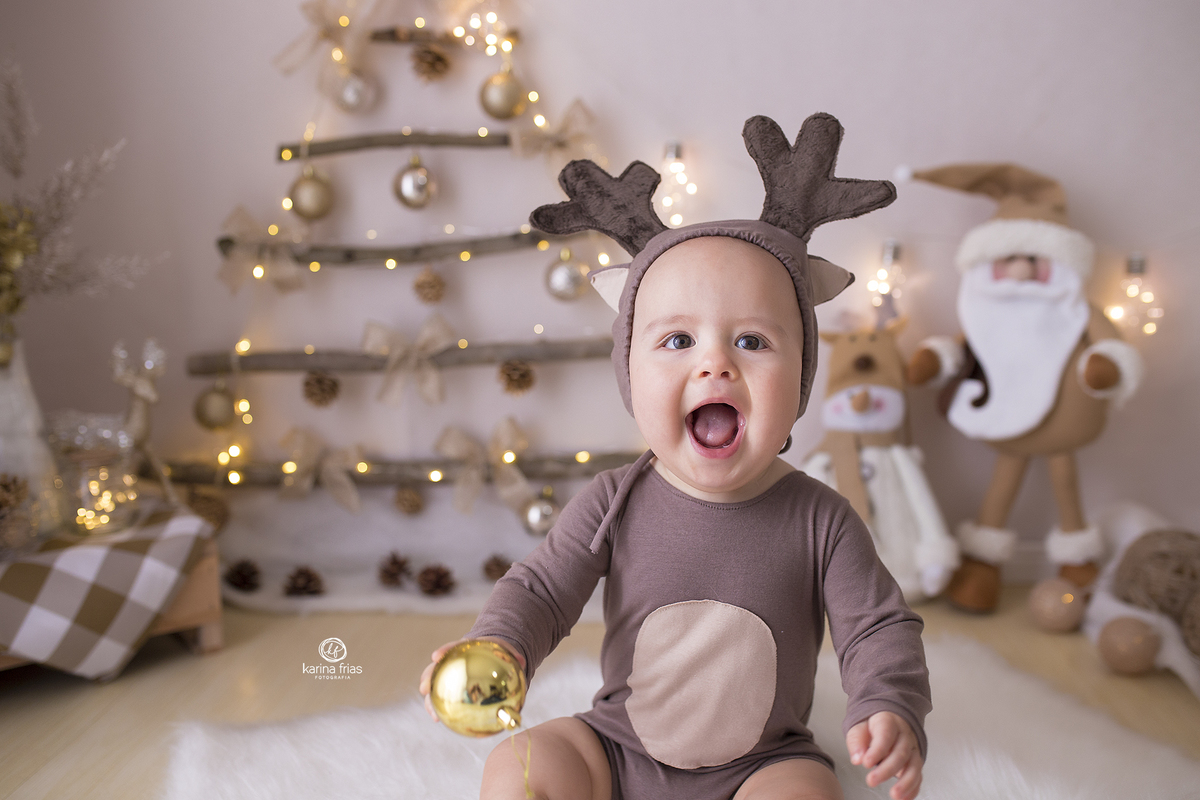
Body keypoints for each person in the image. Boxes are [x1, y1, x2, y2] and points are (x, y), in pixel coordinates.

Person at [420, 113, 931, 800]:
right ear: (630, 376)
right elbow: (540, 590)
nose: (715, 364)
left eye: (752, 342)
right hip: (615, 747)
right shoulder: (614, 501)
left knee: (810, 794)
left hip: (766, 764)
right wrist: (499, 648)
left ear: (802, 376)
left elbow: (877, 627)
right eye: (677, 341)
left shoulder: (822, 519)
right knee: (521, 767)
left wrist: (888, 706)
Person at [903, 164, 1143, 614]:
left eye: (1033, 260)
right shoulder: (986, 314)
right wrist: (934, 359)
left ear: (1061, 264)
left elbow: (1114, 349)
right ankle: (983, 564)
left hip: (1064, 420)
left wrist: (1104, 368)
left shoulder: (1075, 310)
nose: (1018, 271)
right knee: (1005, 477)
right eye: (1008, 259)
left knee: (1065, 477)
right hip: (1006, 413)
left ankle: (1078, 561)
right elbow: (962, 347)